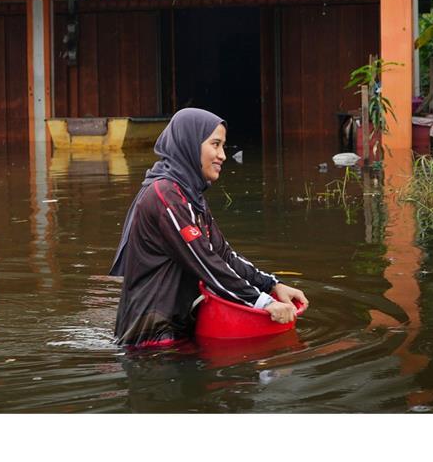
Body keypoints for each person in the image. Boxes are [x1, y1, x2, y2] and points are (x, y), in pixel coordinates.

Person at [110, 108, 307, 347]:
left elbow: (224, 256)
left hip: (179, 331)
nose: (222, 155)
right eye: (215, 144)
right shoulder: (164, 196)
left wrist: (273, 285)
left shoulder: (190, 196)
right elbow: (206, 262)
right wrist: (264, 302)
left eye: (223, 146)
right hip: (150, 341)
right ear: (190, 144)